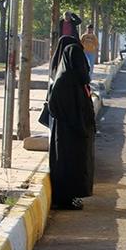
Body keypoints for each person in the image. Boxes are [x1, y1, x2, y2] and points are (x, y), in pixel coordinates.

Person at [47, 36, 95, 210]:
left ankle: (72, 196)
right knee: (67, 165)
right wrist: (76, 123)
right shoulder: (64, 81)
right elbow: (57, 107)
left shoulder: (73, 81)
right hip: (68, 133)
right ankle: (64, 200)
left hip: (75, 131)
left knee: (76, 164)